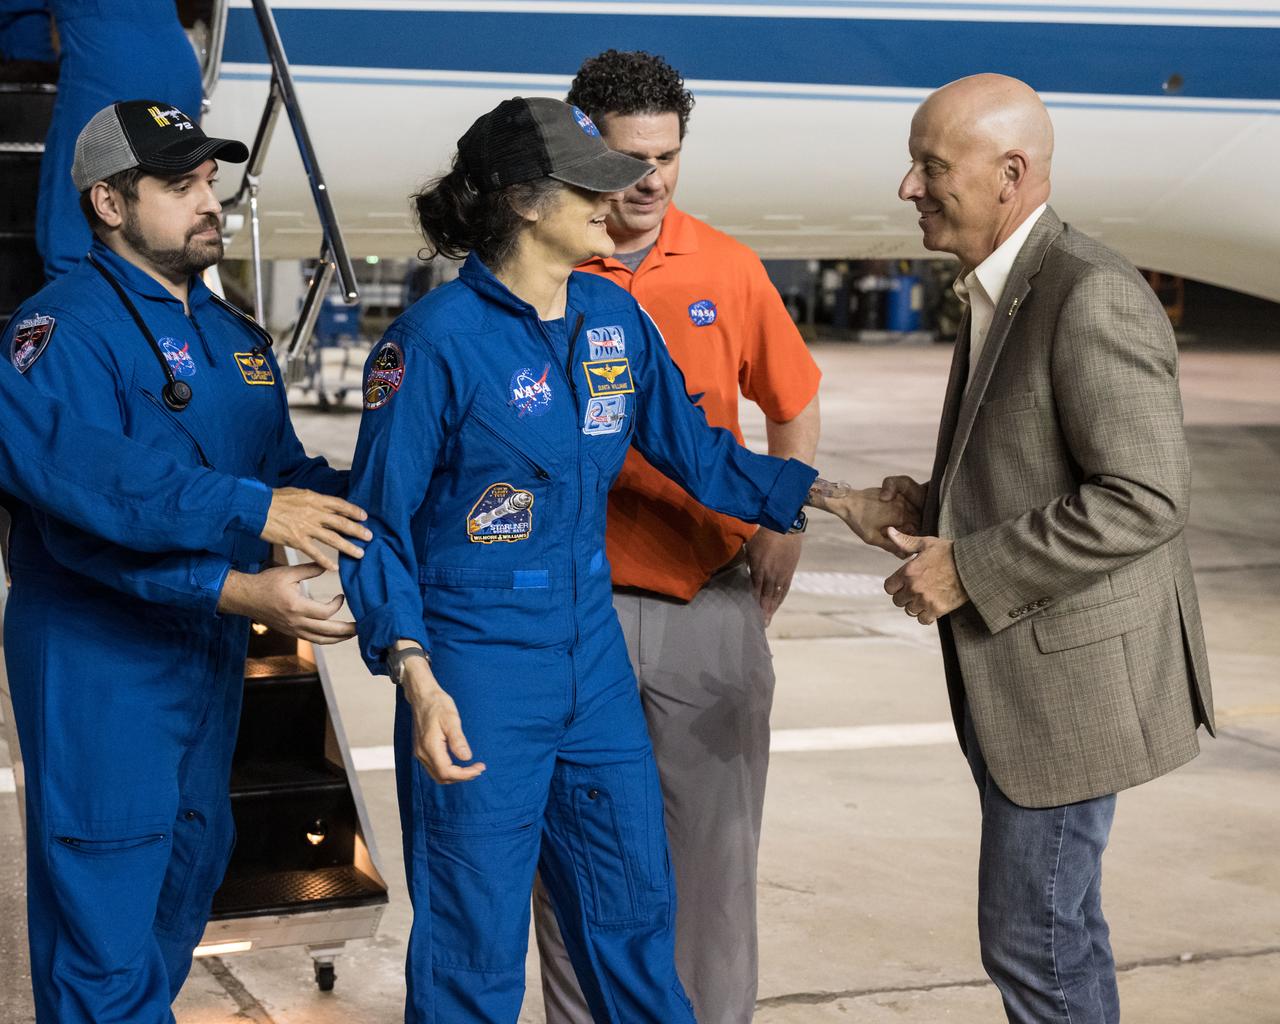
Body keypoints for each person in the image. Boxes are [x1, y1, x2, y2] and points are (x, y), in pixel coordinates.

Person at [339, 96, 908, 1024]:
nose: (624, 194)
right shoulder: (433, 343)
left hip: (590, 657)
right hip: (479, 666)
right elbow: (379, 526)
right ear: (525, 202)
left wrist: (839, 501)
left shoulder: (611, 319)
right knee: (473, 950)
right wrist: (414, 673)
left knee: (633, 915)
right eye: (592, 182)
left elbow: (702, 454)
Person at [2, 99, 356, 1024]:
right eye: (181, 185)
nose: (211, 204)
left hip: (205, 656)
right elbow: (90, 500)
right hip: (101, 661)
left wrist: (400, 486)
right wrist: (241, 569)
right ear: (109, 203)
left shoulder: (237, 342)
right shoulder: (58, 333)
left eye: (212, 183)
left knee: (188, 867)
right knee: (106, 897)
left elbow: (288, 473)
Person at [881, 73, 1214, 1024]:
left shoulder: (1088, 294)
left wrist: (967, 567)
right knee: (1056, 931)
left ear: (1010, 174)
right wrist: (929, 503)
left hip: (1068, 693)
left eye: (931, 167)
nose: (909, 187)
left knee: (1034, 940)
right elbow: (1038, 462)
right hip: (1024, 679)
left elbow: (1146, 496)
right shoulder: (1005, 284)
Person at [533, 50, 821, 1024]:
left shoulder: (726, 267)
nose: (651, 178)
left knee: (710, 867)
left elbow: (792, 398)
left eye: (667, 155)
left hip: (705, 601)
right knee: (572, 863)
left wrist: (780, 538)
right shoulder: (545, 268)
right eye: (630, 156)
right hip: (573, 609)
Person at [36, 0, 203, 279]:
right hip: (178, 62)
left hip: (107, 60)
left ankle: (75, 316)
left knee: (75, 210)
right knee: (172, 211)